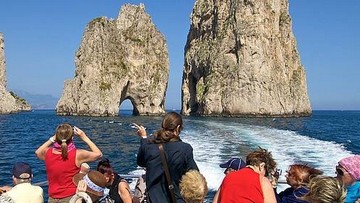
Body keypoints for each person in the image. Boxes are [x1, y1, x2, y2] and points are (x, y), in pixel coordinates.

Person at [133, 111, 199, 203]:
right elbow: (195, 174)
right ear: (178, 128)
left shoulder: (149, 147)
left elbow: (141, 162)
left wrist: (144, 138)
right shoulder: (185, 149)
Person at [35, 123, 103, 203]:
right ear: (72, 138)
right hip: (72, 198)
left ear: (56, 136)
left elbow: (37, 152)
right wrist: (84, 137)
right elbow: (99, 154)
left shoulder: (48, 153)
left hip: (52, 198)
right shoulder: (77, 154)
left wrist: (52, 139)